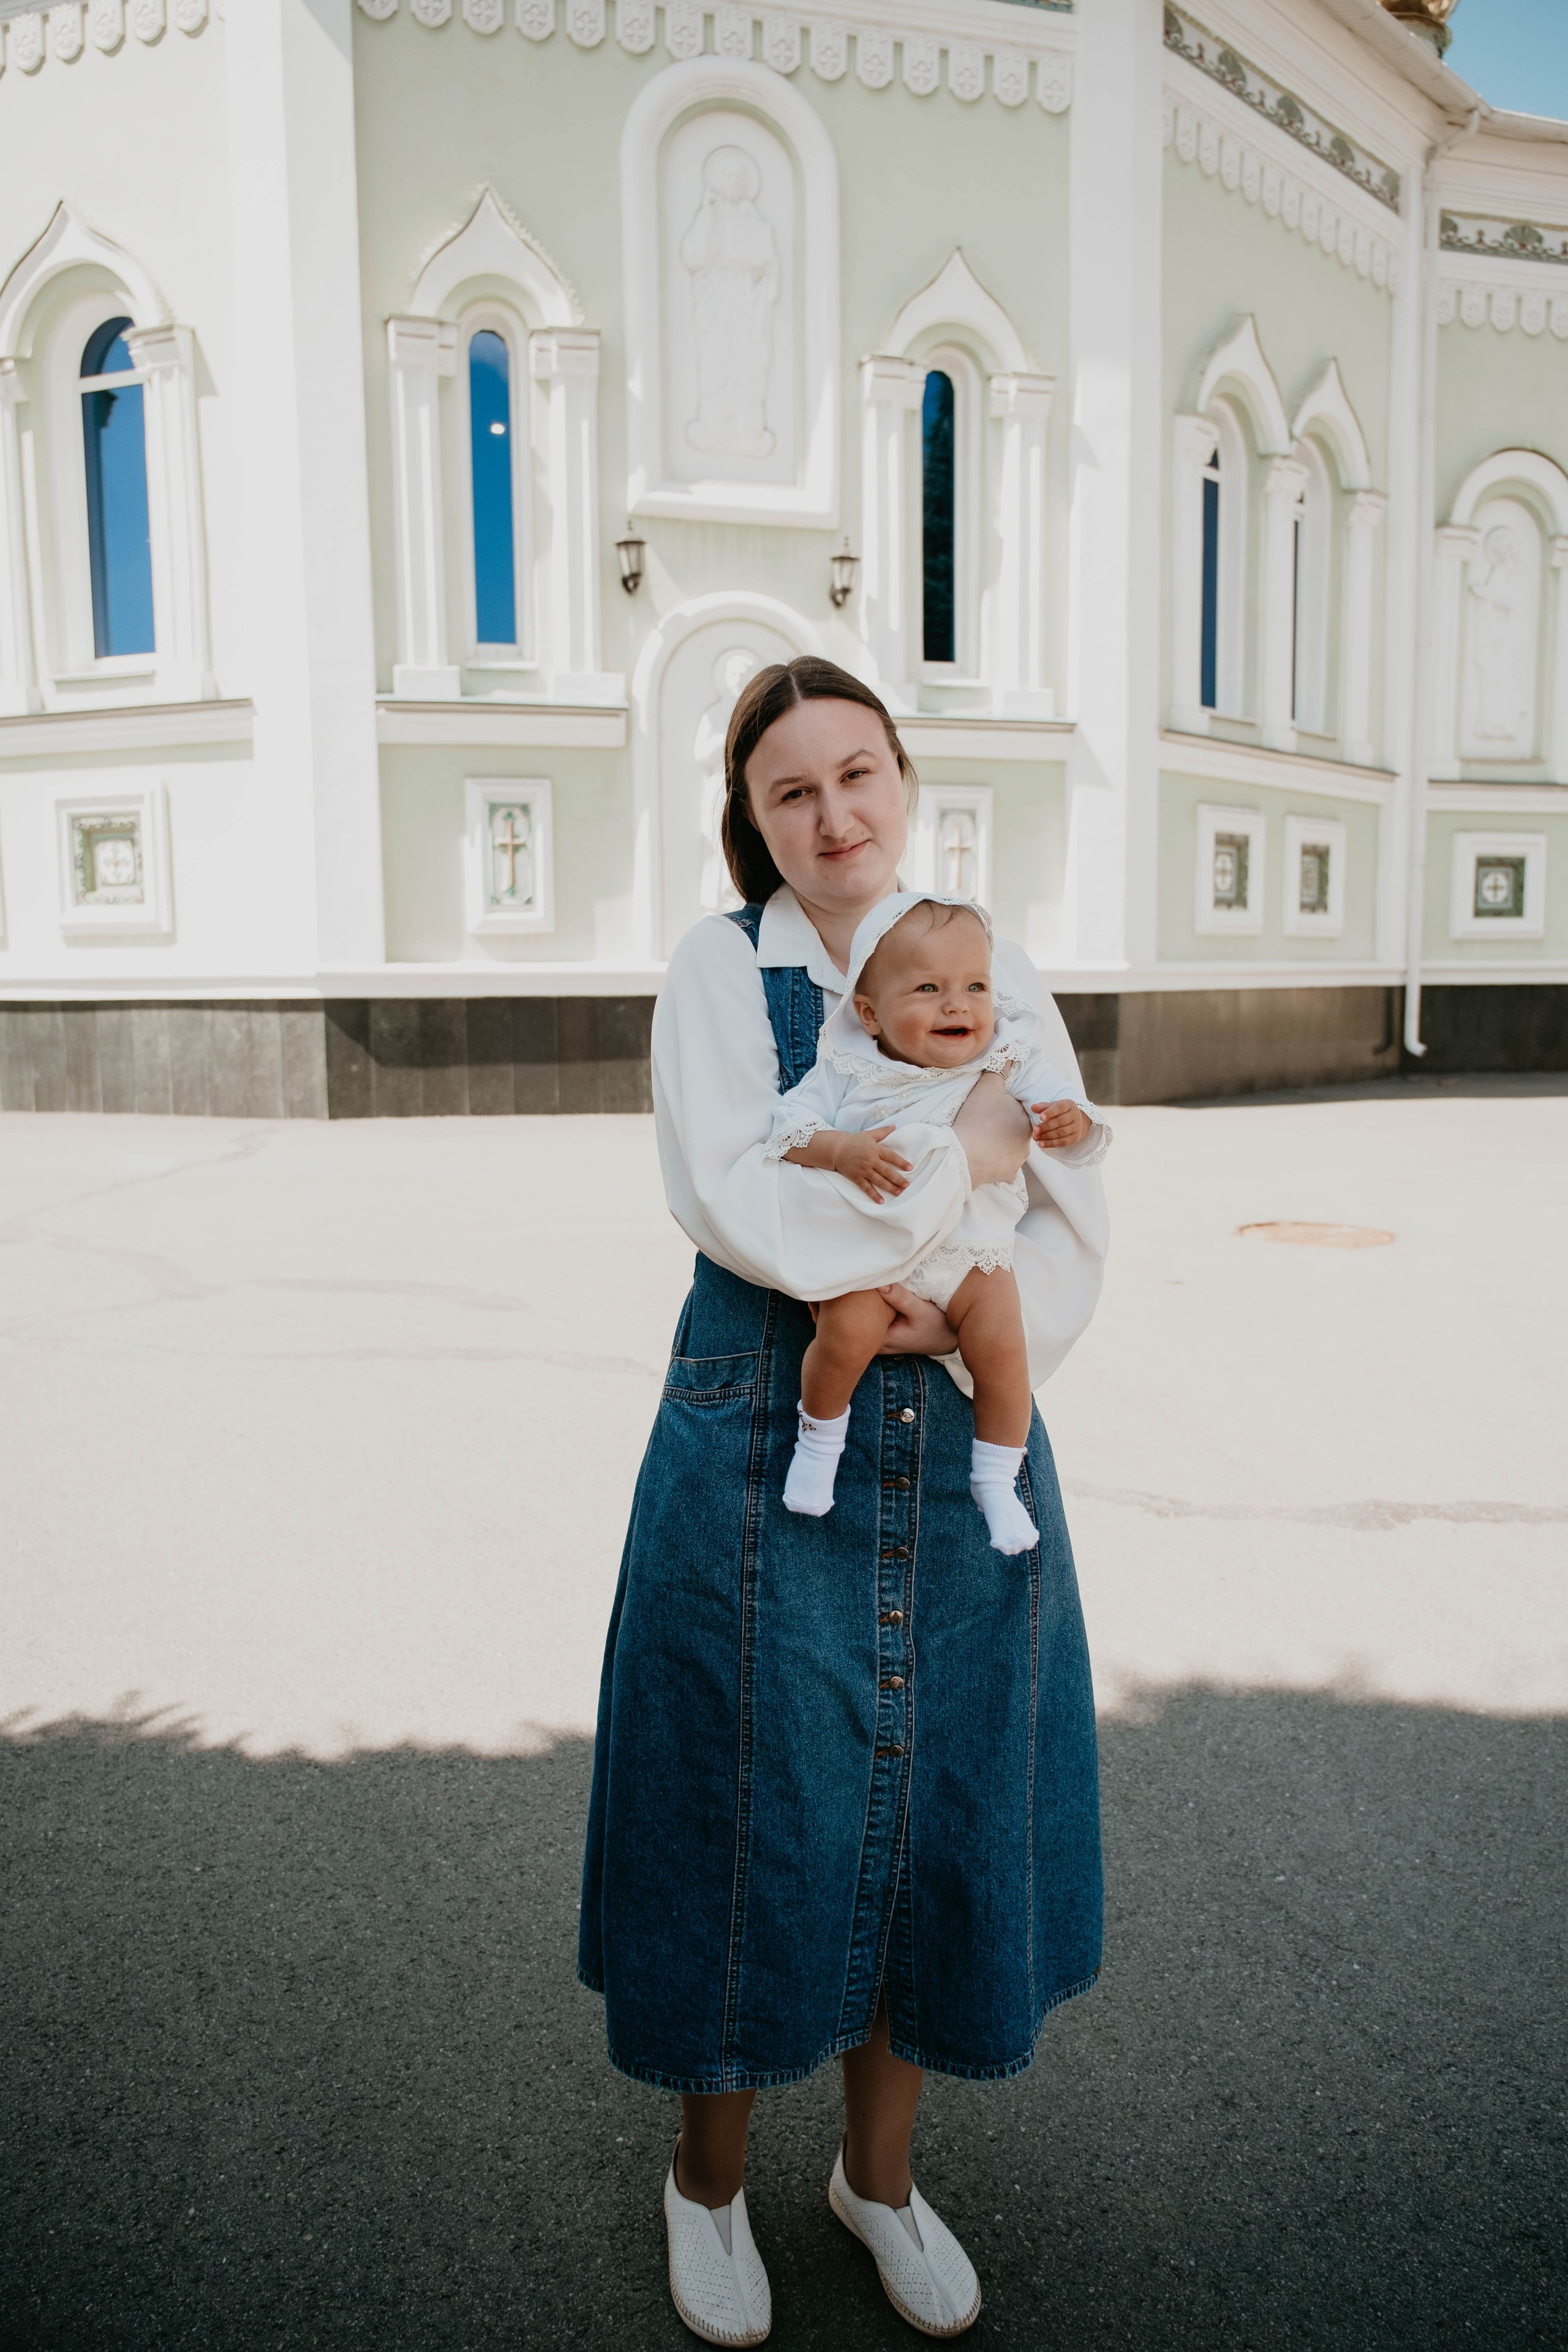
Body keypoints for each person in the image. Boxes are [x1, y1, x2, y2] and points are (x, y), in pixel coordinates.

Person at [579, 657, 1107, 2346]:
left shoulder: (995, 964)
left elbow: (1076, 1187)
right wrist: (958, 1216)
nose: (834, 814)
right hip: (763, 1428)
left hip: (961, 1422)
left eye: (858, 772)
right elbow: (740, 1197)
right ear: (751, 822)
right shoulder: (720, 975)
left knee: (939, 1798)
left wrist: (967, 1321)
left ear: (904, 778)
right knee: (745, 1805)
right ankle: (708, 2185)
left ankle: (875, 2182)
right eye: (789, 789)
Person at [768, 891, 1109, 1551]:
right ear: (868, 1013)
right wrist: (840, 1150)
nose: (958, 1004)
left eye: (975, 985)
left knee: (1004, 1356)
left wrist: (1074, 1124)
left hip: (973, 1256)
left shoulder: (1008, 1060)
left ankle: (995, 1482)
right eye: (928, 987)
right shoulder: (848, 1069)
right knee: (842, 1337)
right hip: (878, 1251)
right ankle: (818, 1441)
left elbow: (1072, 1122)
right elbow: (787, 1131)